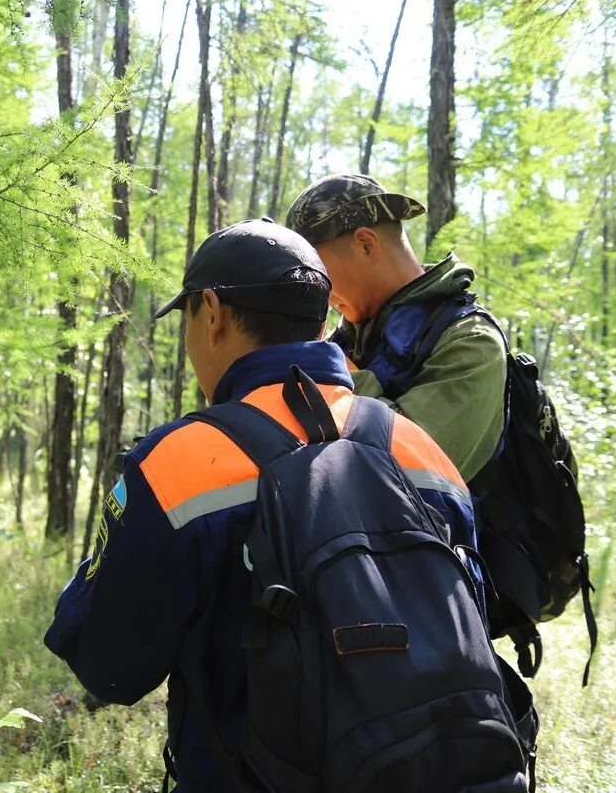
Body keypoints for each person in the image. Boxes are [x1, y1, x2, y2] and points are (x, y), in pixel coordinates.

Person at [44, 219, 520, 791]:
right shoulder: (426, 453)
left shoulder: (177, 464)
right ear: (320, 324)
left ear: (213, 312)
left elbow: (111, 670)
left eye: (189, 319)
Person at [284, 173, 507, 483]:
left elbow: (418, 468)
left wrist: (338, 373)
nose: (316, 290)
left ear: (365, 244)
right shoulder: (346, 339)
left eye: (318, 271)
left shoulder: (471, 342)